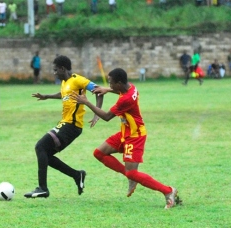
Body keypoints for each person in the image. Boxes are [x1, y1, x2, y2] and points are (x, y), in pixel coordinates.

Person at [70, 68, 181, 209]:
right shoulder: (131, 87)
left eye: (111, 83)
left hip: (135, 136)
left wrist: (86, 102)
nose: (109, 85)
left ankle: (169, 191)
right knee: (99, 153)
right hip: (125, 132)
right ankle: (130, 177)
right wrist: (108, 90)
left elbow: (106, 117)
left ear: (120, 83)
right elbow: (120, 91)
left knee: (133, 172)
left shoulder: (125, 100)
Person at [24, 55, 103, 198]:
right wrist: (46, 96)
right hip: (65, 124)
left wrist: (97, 113)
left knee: (40, 146)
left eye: (55, 70)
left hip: (71, 126)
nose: (54, 73)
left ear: (62, 68)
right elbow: (63, 94)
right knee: (45, 155)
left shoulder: (78, 80)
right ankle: (76, 175)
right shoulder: (65, 83)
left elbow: (98, 90)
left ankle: (42, 188)